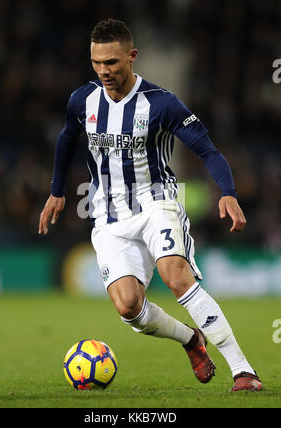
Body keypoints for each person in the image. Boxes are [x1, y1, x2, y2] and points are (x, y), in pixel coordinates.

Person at [38, 18, 262, 392]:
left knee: (176, 277)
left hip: (155, 201)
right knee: (129, 308)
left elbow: (207, 150)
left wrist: (228, 192)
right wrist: (57, 190)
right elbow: (66, 138)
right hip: (108, 215)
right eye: (97, 62)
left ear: (132, 56)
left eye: (112, 62)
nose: (104, 71)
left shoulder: (161, 104)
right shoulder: (83, 99)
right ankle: (190, 340)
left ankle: (243, 371)